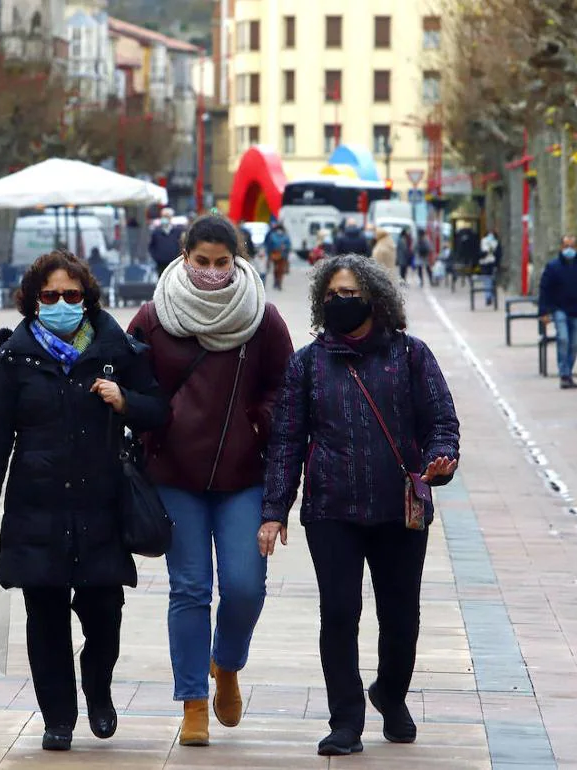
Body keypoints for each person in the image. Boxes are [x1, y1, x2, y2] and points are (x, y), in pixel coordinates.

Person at [0, 250, 167, 752]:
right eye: (49, 296)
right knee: (45, 617)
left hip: (102, 506)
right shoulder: (15, 358)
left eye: (70, 295)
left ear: (87, 298)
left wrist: (125, 400)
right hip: (37, 508)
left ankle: (98, 689)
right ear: (33, 301)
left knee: (104, 612)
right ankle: (58, 716)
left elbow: (158, 411)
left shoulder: (118, 349)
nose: (60, 303)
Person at [261, 254, 460, 757]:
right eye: (331, 296)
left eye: (349, 295)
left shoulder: (411, 355)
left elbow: (442, 422)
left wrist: (440, 458)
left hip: (400, 510)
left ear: (374, 298)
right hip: (332, 510)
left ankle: (391, 695)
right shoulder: (307, 363)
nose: (339, 303)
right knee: (339, 613)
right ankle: (345, 720)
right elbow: (286, 438)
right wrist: (274, 509)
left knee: (400, 616)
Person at [127, 214, 294, 747]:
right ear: (184, 257)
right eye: (203, 261)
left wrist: (257, 421)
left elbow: (284, 388)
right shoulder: (155, 317)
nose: (213, 272)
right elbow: (129, 381)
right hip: (175, 475)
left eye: (223, 262)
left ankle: (228, 663)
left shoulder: (261, 317)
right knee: (191, 588)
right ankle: (193, 701)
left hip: (242, 476)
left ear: (237, 259)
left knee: (245, 586)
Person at [538, 235, 577, 390]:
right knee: (563, 338)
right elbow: (544, 289)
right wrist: (544, 311)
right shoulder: (553, 266)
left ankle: (568, 370)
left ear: (576, 248)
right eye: (566, 246)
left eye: (572, 246)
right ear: (561, 248)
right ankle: (564, 374)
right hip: (559, 309)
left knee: (575, 344)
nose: (568, 249)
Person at [148, 207, 184, 276]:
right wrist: (156, 257)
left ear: (171, 217)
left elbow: (182, 245)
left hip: (174, 264)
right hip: (161, 264)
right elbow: (151, 247)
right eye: (163, 216)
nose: (165, 218)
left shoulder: (178, 231)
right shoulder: (156, 232)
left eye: (167, 216)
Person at [263, 222, 293, 290]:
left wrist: (285, 247)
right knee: (276, 269)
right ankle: (276, 281)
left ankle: (279, 283)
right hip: (274, 254)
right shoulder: (272, 235)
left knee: (281, 270)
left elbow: (289, 245)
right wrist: (269, 254)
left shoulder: (285, 236)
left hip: (283, 255)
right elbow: (269, 245)